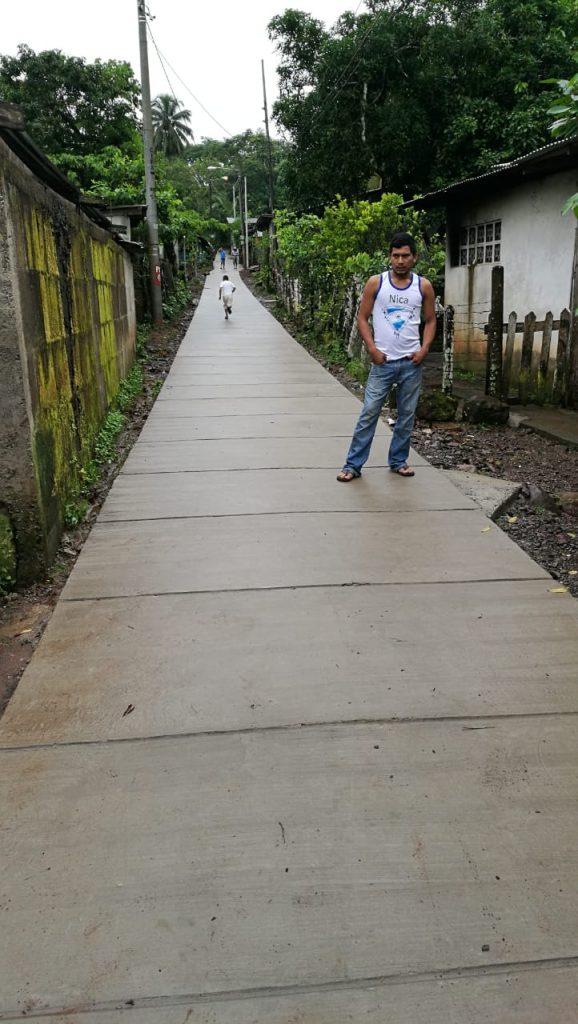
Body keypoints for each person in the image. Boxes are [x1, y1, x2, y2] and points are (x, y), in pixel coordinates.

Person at [337, 232, 436, 481]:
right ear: (389, 257)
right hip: (383, 363)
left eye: (405, 256)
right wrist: (371, 348)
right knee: (369, 412)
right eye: (395, 256)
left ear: (414, 258)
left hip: (411, 363)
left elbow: (431, 320)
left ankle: (398, 461)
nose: (400, 260)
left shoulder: (422, 286)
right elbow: (362, 317)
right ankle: (352, 465)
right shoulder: (376, 283)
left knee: (406, 415)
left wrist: (424, 349)